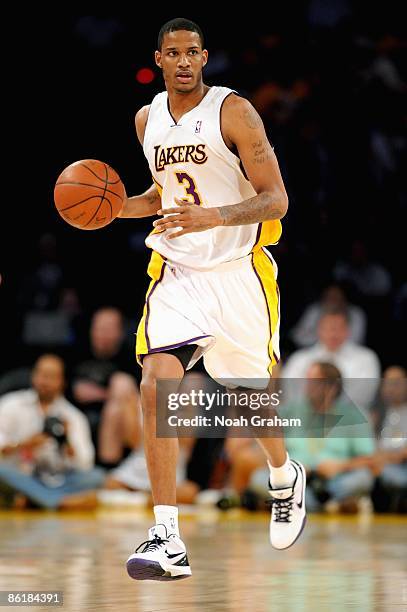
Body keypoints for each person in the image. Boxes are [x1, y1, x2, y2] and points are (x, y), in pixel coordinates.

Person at [118, 18, 306, 581]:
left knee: (251, 402)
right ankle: (167, 535)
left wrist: (216, 216)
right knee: (156, 383)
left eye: (191, 52)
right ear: (158, 57)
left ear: (204, 57)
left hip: (238, 273)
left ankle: (282, 473)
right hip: (178, 271)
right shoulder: (146, 118)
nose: (182, 61)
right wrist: (110, 208)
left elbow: (277, 200)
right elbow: (162, 194)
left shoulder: (233, 111)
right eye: (171, 53)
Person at [0, 355, 104, 509]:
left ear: (62, 382)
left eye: (51, 377)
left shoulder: (73, 417)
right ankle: (57, 502)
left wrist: (68, 443)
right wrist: (24, 444)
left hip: (58, 479)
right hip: (21, 474)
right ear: (33, 376)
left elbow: (86, 464)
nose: (45, 382)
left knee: (97, 476)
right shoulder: (11, 404)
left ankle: (33, 500)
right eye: (42, 375)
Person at [72, 307, 141, 467]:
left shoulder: (132, 358)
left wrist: (102, 395)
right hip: (76, 419)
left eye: (108, 329)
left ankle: (108, 469)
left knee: (117, 397)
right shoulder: (77, 353)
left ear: (120, 333)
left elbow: (137, 398)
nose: (102, 334)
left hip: (121, 423)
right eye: (98, 328)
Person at [283, 308, 381, 409]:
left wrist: (328, 405)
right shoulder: (299, 359)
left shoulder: (366, 358)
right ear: (319, 330)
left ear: (348, 330)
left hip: (350, 419)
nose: (333, 333)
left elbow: (364, 396)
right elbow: (291, 393)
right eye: (329, 328)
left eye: (338, 328)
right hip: (306, 418)